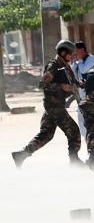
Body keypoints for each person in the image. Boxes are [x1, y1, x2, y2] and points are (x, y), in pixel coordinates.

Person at [11, 40, 83, 168]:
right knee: (74, 132)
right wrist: (62, 86)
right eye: (71, 54)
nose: (73, 56)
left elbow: (70, 82)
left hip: (54, 106)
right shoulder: (53, 66)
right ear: (62, 52)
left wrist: (78, 84)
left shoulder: (65, 66)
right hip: (54, 107)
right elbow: (43, 84)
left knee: (46, 135)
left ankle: (21, 155)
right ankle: (74, 161)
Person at [71, 41, 94, 142]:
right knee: (80, 114)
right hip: (81, 92)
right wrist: (74, 62)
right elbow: (72, 71)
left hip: (93, 92)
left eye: (76, 50)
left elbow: (83, 70)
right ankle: (86, 137)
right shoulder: (77, 61)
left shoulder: (91, 58)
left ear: (82, 49)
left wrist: (77, 61)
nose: (74, 53)